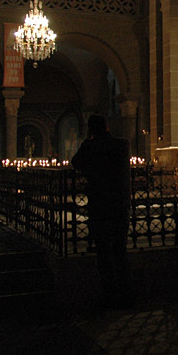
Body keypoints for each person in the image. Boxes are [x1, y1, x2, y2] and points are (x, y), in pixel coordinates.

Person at [72, 115, 133, 309]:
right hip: (120, 204)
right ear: (107, 125)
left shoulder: (90, 147)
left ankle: (110, 297)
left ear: (91, 130)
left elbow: (76, 162)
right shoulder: (122, 145)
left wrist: (88, 141)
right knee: (120, 251)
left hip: (99, 205)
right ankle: (126, 294)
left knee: (104, 254)